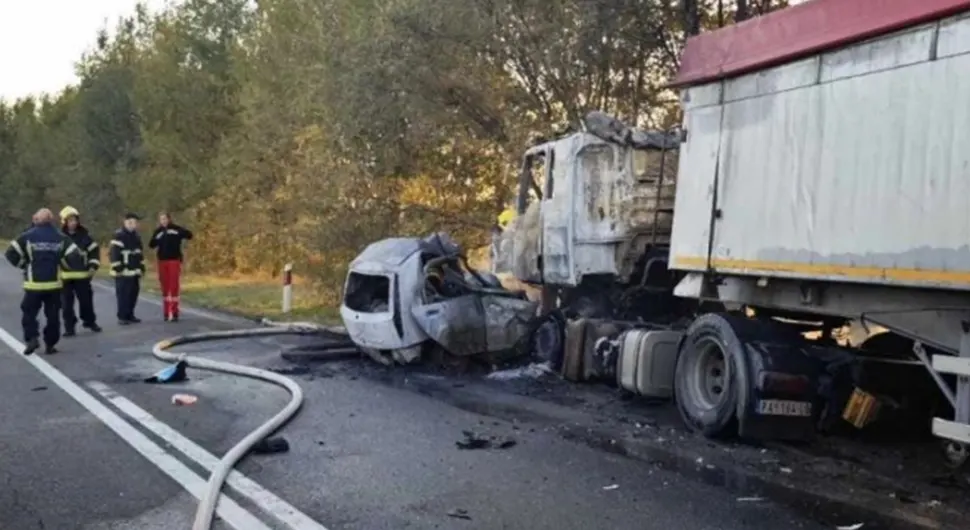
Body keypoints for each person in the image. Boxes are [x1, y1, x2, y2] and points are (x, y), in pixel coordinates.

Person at [4, 208, 80, 355]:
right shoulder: (60, 237)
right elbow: (74, 256)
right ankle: (50, 344)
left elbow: (10, 253)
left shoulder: (27, 236)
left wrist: (24, 265)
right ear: (51, 220)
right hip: (54, 285)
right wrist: (63, 266)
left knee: (29, 313)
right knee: (53, 316)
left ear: (36, 220)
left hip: (33, 285)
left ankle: (32, 338)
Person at [58, 206, 103, 335]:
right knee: (66, 304)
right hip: (65, 277)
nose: (73, 223)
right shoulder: (59, 237)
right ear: (64, 222)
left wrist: (93, 266)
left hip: (83, 275)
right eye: (70, 220)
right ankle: (69, 327)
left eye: (75, 220)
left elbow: (94, 252)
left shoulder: (85, 236)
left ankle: (90, 322)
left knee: (86, 301)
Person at [149, 211, 193, 321]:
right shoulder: (158, 231)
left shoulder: (175, 229)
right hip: (162, 261)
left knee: (173, 286)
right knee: (164, 287)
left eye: (165, 219)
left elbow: (189, 235)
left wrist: (180, 232)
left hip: (174, 260)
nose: (163, 221)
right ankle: (166, 312)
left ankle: (174, 312)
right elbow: (151, 245)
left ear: (169, 219)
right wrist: (156, 238)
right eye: (161, 219)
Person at [110, 212, 146, 325]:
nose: (132, 225)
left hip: (134, 271)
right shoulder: (119, 235)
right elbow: (114, 253)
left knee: (133, 294)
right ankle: (122, 317)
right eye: (130, 222)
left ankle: (130, 314)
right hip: (123, 271)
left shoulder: (136, 237)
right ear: (125, 223)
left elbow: (139, 254)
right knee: (123, 295)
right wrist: (118, 267)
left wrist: (141, 267)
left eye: (134, 223)